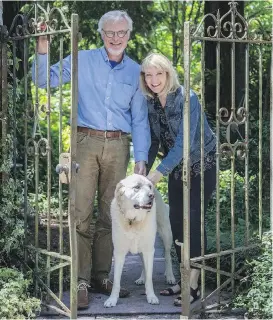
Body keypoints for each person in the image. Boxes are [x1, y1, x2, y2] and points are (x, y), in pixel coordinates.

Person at [32, 10, 151, 309]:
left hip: (119, 145)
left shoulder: (135, 72)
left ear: (129, 35)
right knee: (81, 211)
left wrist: (141, 158)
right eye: (110, 32)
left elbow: (139, 119)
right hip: (84, 141)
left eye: (121, 32)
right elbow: (43, 80)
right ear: (101, 34)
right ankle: (81, 280)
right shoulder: (82, 59)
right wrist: (43, 46)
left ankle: (102, 276)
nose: (116, 37)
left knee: (110, 213)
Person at [140, 53, 216, 306]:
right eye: (148, 75)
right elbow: (152, 142)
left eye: (158, 74)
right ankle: (183, 280)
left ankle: (193, 285)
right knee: (175, 222)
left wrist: (158, 172)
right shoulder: (150, 103)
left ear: (168, 74)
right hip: (175, 167)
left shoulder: (187, 98)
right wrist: (141, 172)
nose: (153, 80)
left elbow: (184, 143)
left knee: (192, 220)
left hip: (201, 163)